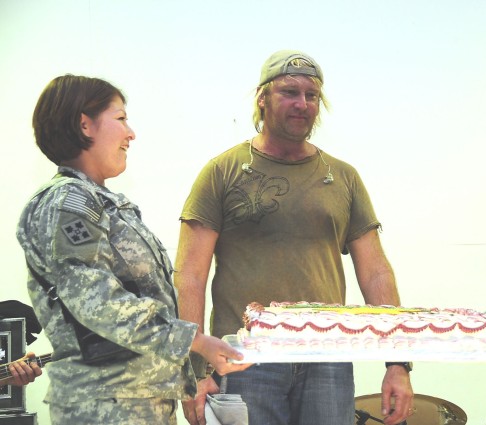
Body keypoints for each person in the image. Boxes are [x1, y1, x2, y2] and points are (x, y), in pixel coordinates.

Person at [174, 50, 414, 425]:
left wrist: (398, 362)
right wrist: (194, 371)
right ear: (262, 98)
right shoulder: (222, 172)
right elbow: (189, 274)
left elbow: (376, 272)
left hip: (328, 359)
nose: (302, 103)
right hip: (244, 360)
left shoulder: (344, 177)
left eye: (311, 95)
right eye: (289, 92)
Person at [16, 74, 249, 424]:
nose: (131, 133)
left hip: (136, 399)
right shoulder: (69, 202)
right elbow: (96, 301)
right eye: (121, 118)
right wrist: (196, 342)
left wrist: (190, 367)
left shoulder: (99, 202)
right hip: (105, 405)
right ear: (85, 125)